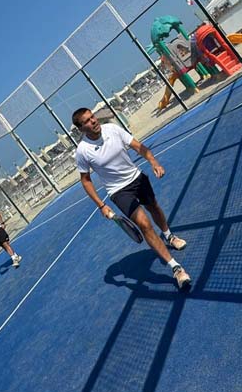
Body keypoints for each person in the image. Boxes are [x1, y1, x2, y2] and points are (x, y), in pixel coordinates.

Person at [72, 108, 191, 291]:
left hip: (136, 178)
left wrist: (153, 161)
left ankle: (169, 236)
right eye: (87, 121)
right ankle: (176, 268)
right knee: (144, 224)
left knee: (154, 207)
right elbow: (86, 180)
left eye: (92, 117)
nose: (93, 121)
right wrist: (101, 205)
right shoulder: (82, 151)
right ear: (81, 128)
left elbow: (137, 146)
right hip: (118, 191)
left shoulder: (112, 129)